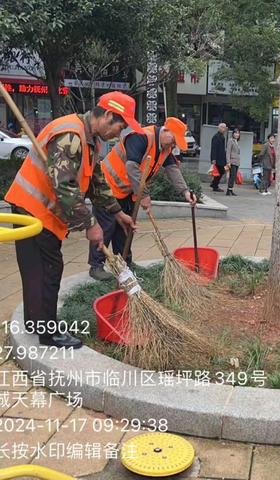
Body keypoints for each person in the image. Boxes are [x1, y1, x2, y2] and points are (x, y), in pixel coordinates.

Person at [5, 91, 139, 348]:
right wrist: (90, 225)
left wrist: (116, 211)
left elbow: (96, 181)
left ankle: (38, 321)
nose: (119, 134)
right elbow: (64, 186)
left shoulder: (91, 140)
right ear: (108, 116)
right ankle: (48, 333)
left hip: (39, 210)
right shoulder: (71, 135)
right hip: (32, 209)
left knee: (37, 269)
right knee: (49, 268)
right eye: (120, 126)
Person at [89, 117, 197, 280]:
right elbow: (131, 167)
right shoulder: (141, 137)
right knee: (106, 227)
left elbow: (172, 170)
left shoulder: (165, 147)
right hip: (107, 186)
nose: (173, 145)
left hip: (128, 191)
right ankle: (96, 266)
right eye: (174, 140)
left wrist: (185, 192)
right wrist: (144, 195)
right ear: (166, 131)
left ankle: (124, 262)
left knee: (126, 228)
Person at [210, 123, 227, 192]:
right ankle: (215, 185)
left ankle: (214, 184)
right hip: (217, 158)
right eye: (222, 127)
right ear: (219, 128)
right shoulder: (216, 136)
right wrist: (213, 158)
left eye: (225, 128)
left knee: (221, 171)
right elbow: (213, 148)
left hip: (221, 157)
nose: (224, 129)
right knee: (219, 171)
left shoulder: (222, 136)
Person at [226, 128, 241, 196]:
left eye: (238, 133)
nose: (237, 134)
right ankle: (229, 190)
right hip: (232, 161)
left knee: (234, 176)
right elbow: (228, 151)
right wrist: (228, 162)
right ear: (233, 134)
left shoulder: (236, 141)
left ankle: (231, 189)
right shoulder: (230, 141)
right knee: (232, 176)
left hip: (236, 161)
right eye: (235, 133)